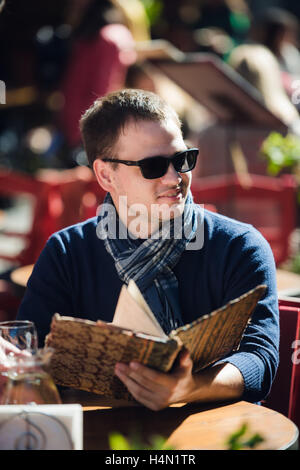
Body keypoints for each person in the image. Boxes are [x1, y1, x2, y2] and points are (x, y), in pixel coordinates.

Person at [17, 89, 279, 411]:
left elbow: (261, 359)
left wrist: (190, 387)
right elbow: (32, 357)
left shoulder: (240, 246)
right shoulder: (66, 252)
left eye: (182, 160)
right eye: (153, 166)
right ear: (105, 175)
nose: (175, 178)